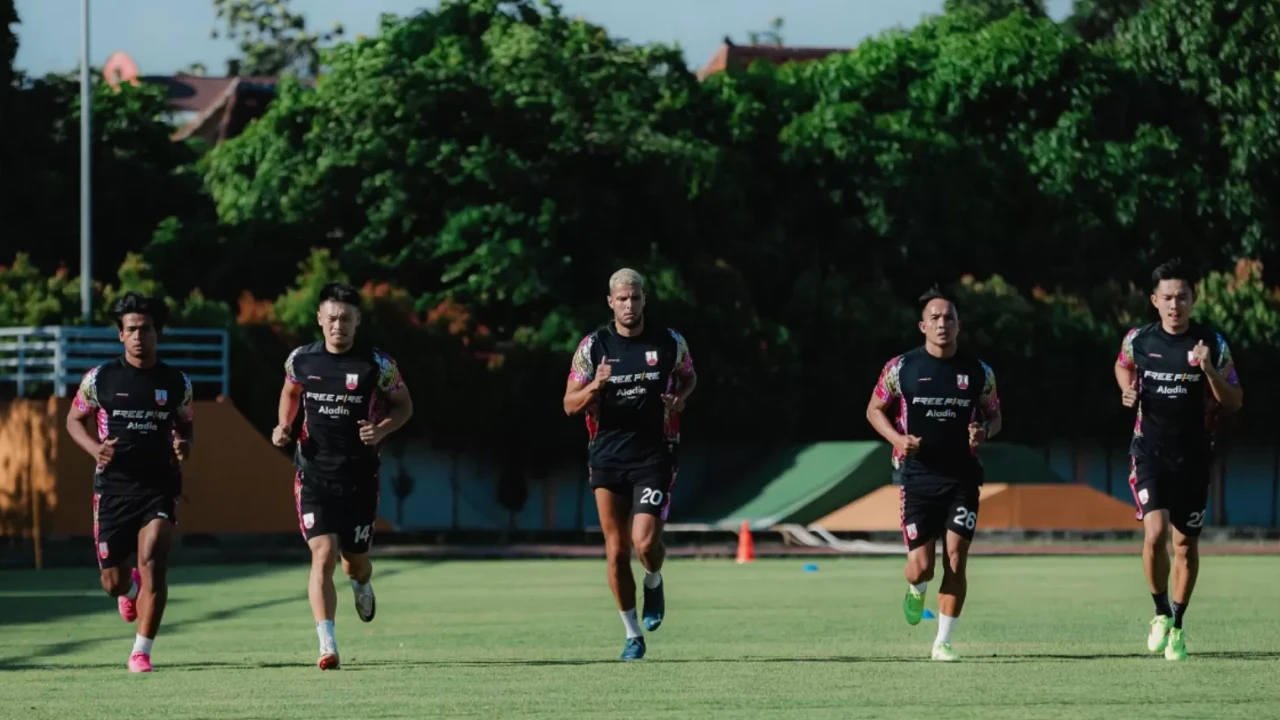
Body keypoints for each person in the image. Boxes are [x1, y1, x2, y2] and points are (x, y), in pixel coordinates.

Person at [273, 282, 414, 670]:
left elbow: (404, 406)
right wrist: (283, 426)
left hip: (360, 477)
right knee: (323, 554)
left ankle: (362, 583)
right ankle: (327, 644)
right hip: (313, 474)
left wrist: (382, 429)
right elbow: (290, 393)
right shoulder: (301, 360)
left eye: (347, 319)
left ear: (358, 322)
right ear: (320, 319)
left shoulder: (377, 364)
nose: (339, 326)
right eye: (332, 318)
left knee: (355, 561)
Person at [563, 268, 696, 661]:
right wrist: (595, 386)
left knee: (644, 542)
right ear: (610, 302)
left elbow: (688, 377)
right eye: (622, 299)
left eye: (635, 298)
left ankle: (654, 579)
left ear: (643, 300)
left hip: (654, 454)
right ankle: (632, 633)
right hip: (606, 455)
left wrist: (680, 399)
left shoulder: (669, 341)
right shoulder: (593, 346)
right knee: (617, 551)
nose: (629, 305)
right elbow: (569, 404)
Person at [1114, 259, 1242, 661]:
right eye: (1167, 297)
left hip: (1194, 458)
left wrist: (1208, 371)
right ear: (1155, 301)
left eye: (1182, 297)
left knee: (1185, 545)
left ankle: (1179, 626)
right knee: (1154, 535)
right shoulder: (1139, 340)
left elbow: (1235, 401)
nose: (1175, 305)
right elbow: (1122, 366)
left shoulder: (1213, 345)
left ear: (1194, 299)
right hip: (1149, 452)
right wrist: (1127, 390)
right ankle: (1159, 612)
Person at [864, 288, 1001, 662]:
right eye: (936, 318)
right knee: (921, 566)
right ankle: (915, 588)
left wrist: (984, 432)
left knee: (956, 558)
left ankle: (943, 641)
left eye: (950, 318)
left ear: (959, 325)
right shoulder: (901, 368)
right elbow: (874, 410)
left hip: (963, 478)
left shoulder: (979, 373)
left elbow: (995, 415)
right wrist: (897, 438)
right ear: (923, 326)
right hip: (916, 477)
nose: (943, 324)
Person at [65, 292, 194, 673]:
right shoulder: (99, 379)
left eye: (147, 329)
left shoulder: (176, 382)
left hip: (159, 486)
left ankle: (141, 650)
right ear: (121, 335)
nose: (139, 336)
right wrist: (95, 450)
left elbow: (185, 425)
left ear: (158, 333)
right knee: (111, 582)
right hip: (113, 490)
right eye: (132, 330)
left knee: (153, 557)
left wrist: (184, 444)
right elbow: (73, 421)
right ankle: (130, 590)